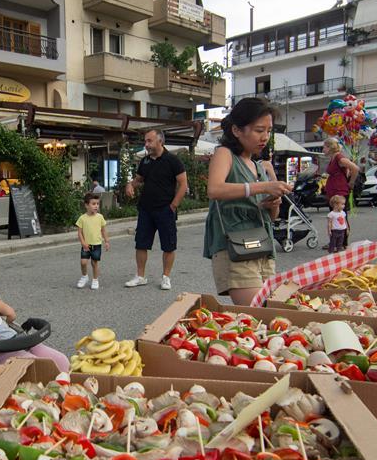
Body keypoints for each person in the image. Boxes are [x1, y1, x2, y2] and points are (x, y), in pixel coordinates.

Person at [204, 97, 292, 306]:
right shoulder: (224, 154)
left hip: (262, 247)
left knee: (268, 314)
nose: (265, 137)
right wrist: (264, 187)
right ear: (236, 130)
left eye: (269, 131)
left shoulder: (257, 165)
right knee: (258, 312)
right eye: (259, 130)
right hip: (237, 247)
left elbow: (271, 217)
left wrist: (272, 203)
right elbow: (214, 189)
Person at [124, 129, 188, 290]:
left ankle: (166, 277)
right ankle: (140, 276)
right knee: (141, 244)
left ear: (160, 141)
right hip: (146, 209)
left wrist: (173, 205)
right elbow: (139, 180)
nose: (146, 144)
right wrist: (130, 185)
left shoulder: (173, 161)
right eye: (145, 141)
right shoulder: (145, 161)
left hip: (165, 210)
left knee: (168, 245)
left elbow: (183, 184)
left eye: (149, 141)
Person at [322, 137, 359, 248]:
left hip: (339, 191)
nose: (323, 149)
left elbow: (355, 168)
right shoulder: (334, 158)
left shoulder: (339, 157)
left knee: (340, 217)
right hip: (334, 190)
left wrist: (351, 182)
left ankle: (342, 242)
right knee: (335, 217)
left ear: (330, 147)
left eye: (324, 147)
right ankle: (336, 241)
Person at [75, 192, 111, 290]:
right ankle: (84, 277)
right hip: (86, 245)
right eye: (93, 204)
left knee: (94, 263)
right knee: (83, 262)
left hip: (97, 244)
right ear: (86, 205)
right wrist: (83, 243)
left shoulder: (100, 217)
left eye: (97, 204)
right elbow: (79, 233)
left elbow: (103, 230)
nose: (96, 206)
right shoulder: (82, 218)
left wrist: (107, 241)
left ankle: (95, 280)